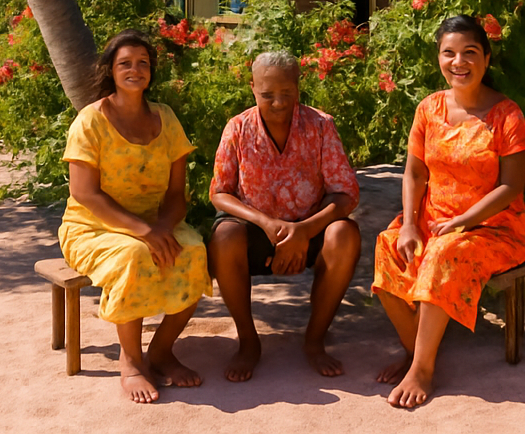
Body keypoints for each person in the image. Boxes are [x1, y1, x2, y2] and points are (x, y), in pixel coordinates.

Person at [372, 15, 525, 408]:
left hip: (494, 228)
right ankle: (418, 352)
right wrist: (410, 223)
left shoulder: (507, 115)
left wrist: (463, 221)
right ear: (439, 58)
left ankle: (422, 369)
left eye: (469, 53)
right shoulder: (429, 109)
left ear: (487, 59)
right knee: (388, 244)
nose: (458, 62)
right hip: (433, 220)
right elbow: (414, 172)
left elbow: (511, 187)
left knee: (445, 253)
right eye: (449, 53)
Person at [58, 29, 209, 403]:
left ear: (151, 71)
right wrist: (144, 232)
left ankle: (161, 350)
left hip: (155, 222)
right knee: (134, 256)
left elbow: (177, 195)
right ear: (110, 69)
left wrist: (159, 228)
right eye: (125, 63)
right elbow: (85, 194)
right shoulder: (90, 121)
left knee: (194, 250)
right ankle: (131, 360)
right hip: (91, 227)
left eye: (143, 63)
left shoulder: (166, 118)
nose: (135, 70)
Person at [208, 50, 362, 381]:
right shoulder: (237, 129)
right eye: (267, 95)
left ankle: (315, 341)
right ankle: (248, 342)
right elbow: (219, 192)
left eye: (286, 93)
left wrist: (304, 231)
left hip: (310, 229)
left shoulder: (321, 126)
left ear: (298, 87)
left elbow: (346, 193)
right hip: (255, 231)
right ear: (252, 88)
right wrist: (265, 223)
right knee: (223, 236)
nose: (277, 102)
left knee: (345, 234)